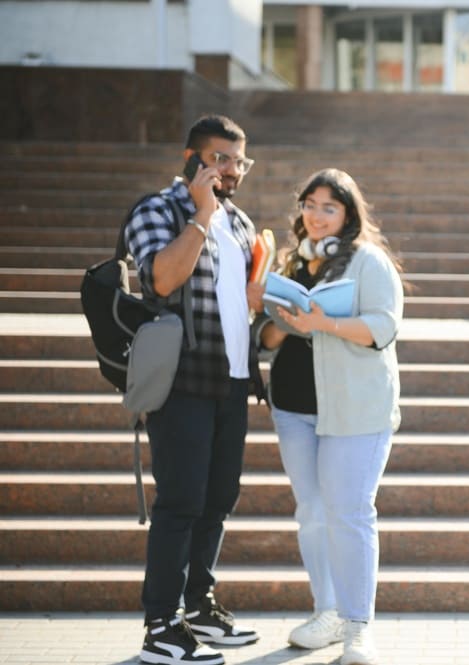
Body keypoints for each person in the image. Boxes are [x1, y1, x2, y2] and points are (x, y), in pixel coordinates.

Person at [124, 114, 265, 665]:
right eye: (221, 159)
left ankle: (199, 607)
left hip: (230, 381)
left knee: (217, 500)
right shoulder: (157, 210)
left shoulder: (242, 222)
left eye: (239, 160)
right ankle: (161, 625)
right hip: (181, 379)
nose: (232, 170)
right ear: (192, 160)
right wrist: (201, 216)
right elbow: (161, 278)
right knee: (181, 501)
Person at [257, 168, 404, 665]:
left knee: (350, 513)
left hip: (356, 409)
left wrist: (325, 324)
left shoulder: (369, 262)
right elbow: (266, 338)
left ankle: (358, 627)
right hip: (295, 407)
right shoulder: (291, 261)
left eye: (329, 207)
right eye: (310, 204)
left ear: (348, 215)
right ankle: (328, 612)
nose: (316, 215)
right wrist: (281, 319)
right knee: (313, 514)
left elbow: (383, 327)